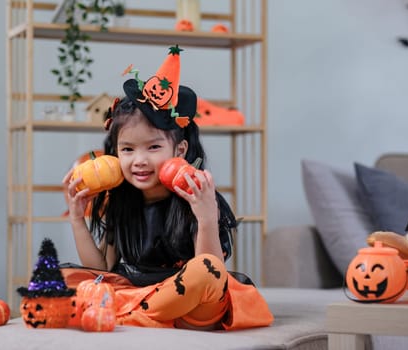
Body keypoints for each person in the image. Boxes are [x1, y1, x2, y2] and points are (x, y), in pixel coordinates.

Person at [62, 45, 273, 330]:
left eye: (153, 147)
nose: (139, 160)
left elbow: (212, 271)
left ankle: (130, 313)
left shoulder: (198, 197)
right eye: (127, 149)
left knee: (203, 273)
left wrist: (206, 217)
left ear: (180, 150)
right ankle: (145, 314)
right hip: (136, 291)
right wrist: (77, 218)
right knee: (60, 276)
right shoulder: (122, 199)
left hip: (188, 301)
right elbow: (102, 271)